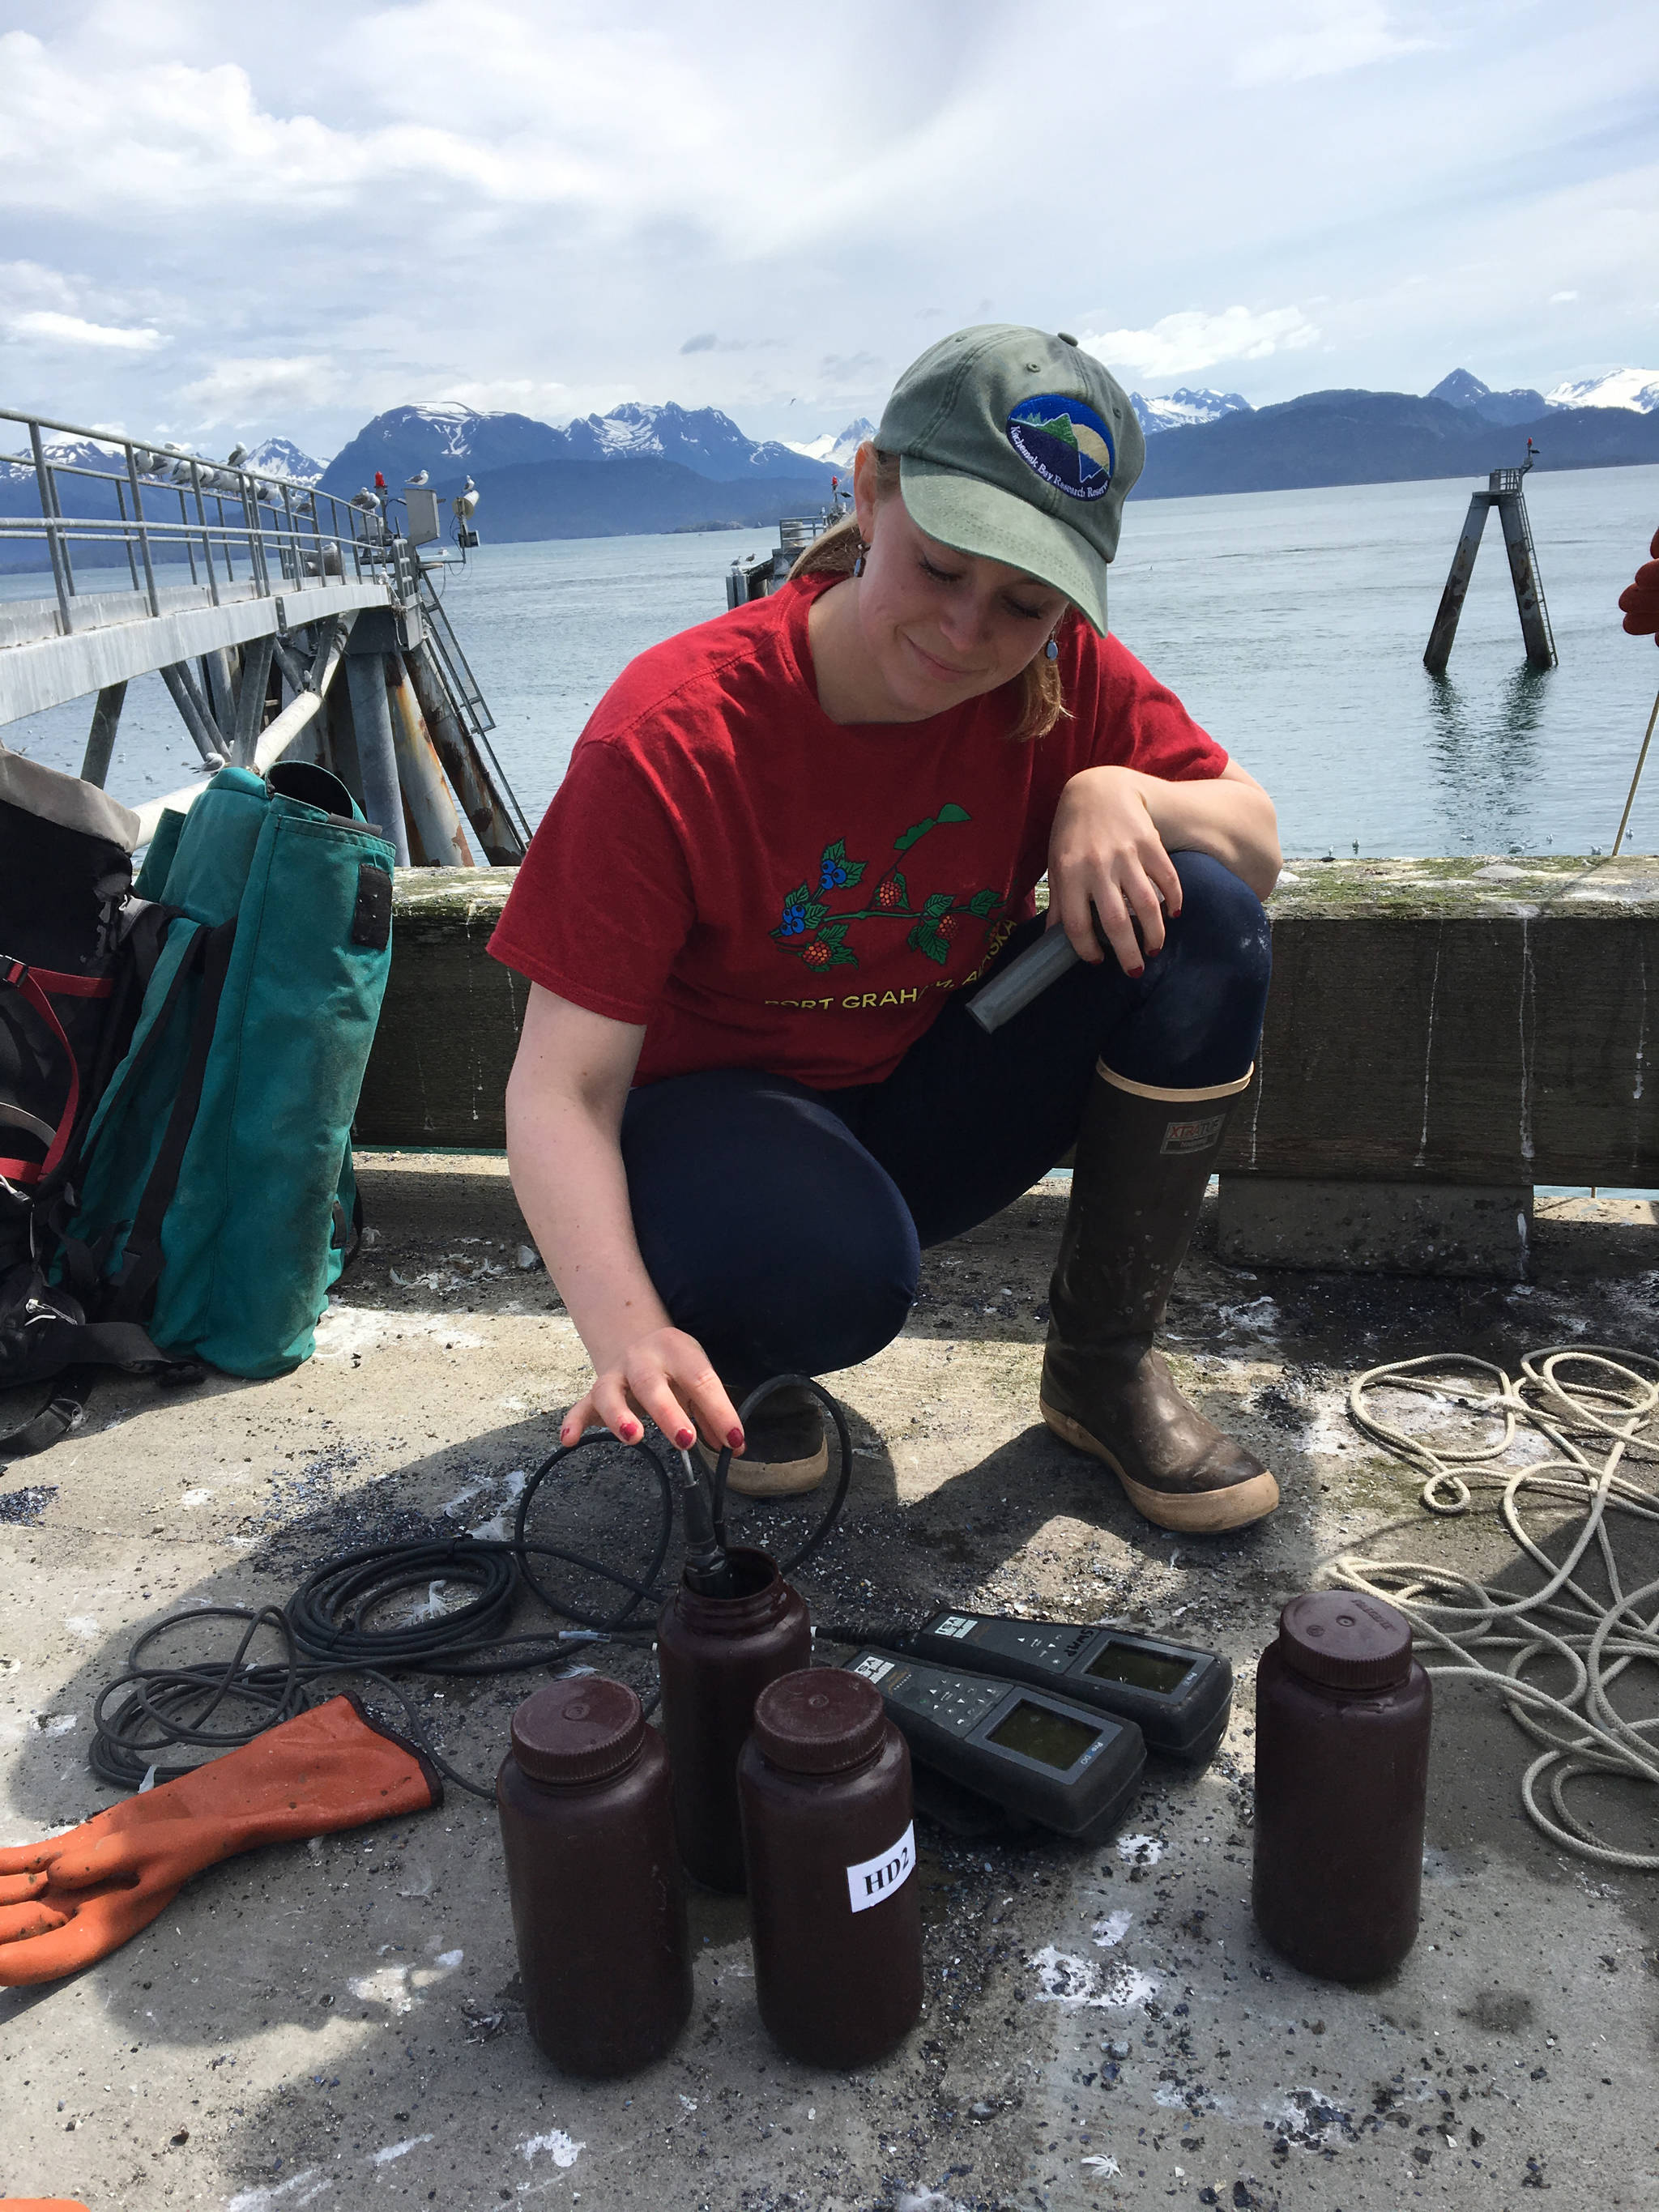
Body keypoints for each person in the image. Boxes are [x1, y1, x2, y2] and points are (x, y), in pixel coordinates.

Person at [493, 326, 1282, 1535]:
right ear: (868, 495)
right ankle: (735, 1341)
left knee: (1208, 914)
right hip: (711, 1130)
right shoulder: (668, 737)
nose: (970, 632)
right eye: (941, 568)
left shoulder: (1067, 678)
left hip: (921, 1095)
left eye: (1025, 603)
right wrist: (626, 1334)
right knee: (839, 1276)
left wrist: (1121, 792)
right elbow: (560, 1092)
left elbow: (1256, 842)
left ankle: (1102, 1364)